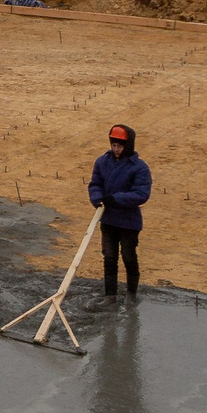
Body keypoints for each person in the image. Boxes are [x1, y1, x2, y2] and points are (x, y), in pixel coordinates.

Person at [86, 123, 151, 305]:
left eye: (120, 146)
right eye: (114, 145)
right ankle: (110, 296)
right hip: (108, 219)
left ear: (128, 146)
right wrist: (97, 198)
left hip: (129, 222)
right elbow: (95, 184)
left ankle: (131, 294)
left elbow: (141, 194)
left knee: (128, 256)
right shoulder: (102, 162)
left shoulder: (139, 168)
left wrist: (117, 199)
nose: (116, 149)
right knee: (109, 256)